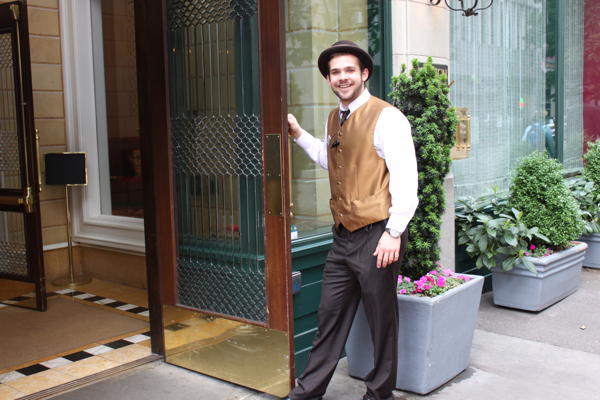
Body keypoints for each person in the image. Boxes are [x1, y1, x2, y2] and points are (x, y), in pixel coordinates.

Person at [282, 40, 418, 400]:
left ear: (364, 74)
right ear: (328, 79)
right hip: (343, 236)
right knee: (330, 317)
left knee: (381, 322)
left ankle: (379, 394)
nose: (342, 77)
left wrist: (394, 231)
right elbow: (332, 161)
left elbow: (406, 177)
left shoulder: (387, 116)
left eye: (349, 71)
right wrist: (298, 135)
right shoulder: (334, 118)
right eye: (335, 72)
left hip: (379, 234)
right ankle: (307, 393)